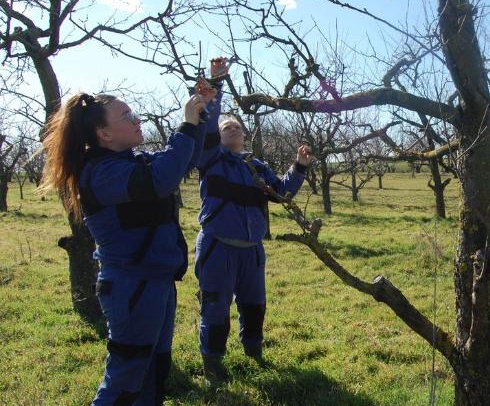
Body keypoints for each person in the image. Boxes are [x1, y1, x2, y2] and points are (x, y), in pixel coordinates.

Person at [39, 83, 215, 404]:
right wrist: (186, 124)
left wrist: (202, 115)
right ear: (104, 134)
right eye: (126, 115)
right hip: (131, 288)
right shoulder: (101, 173)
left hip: (157, 283)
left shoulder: (134, 162)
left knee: (154, 372)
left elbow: (183, 159)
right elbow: (160, 179)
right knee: (125, 380)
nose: (137, 119)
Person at [195, 57, 311, 385]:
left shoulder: (257, 168)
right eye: (225, 127)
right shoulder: (211, 161)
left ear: (244, 135)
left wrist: (298, 167)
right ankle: (213, 362)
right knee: (215, 308)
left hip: (251, 251)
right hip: (218, 248)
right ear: (218, 138)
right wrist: (216, 84)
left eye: (236, 127)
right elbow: (206, 124)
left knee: (255, 304)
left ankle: (254, 349)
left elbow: (282, 192)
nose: (232, 128)